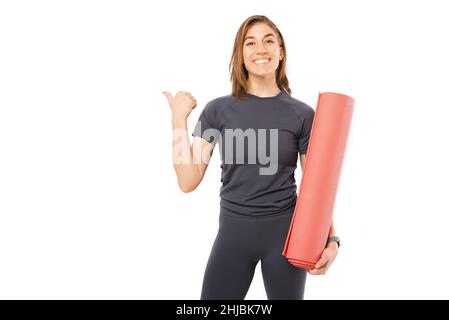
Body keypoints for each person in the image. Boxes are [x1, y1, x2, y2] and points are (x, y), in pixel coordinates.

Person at [163, 15, 339, 300]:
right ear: (240, 54)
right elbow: (188, 179)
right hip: (233, 236)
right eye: (251, 42)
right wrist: (178, 120)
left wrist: (332, 241)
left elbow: (317, 187)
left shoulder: (302, 115)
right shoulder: (217, 111)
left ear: (281, 52)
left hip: (285, 238)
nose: (261, 49)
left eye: (269, 41)